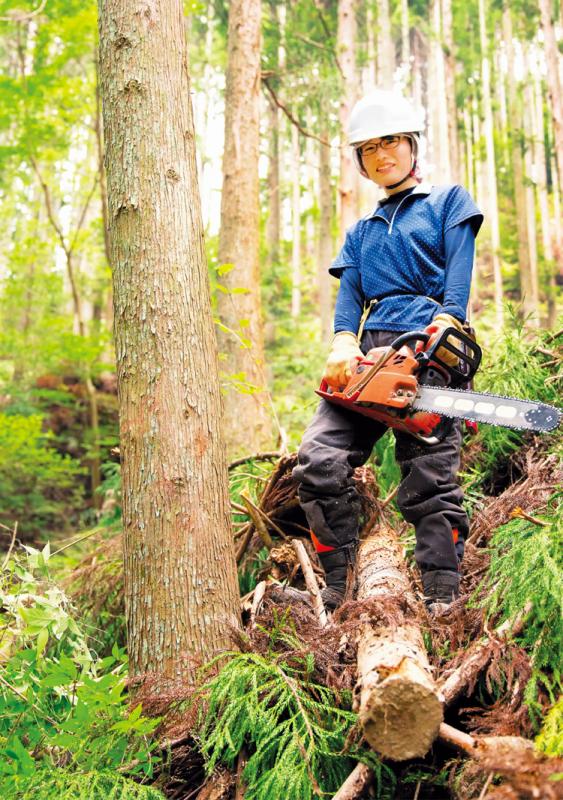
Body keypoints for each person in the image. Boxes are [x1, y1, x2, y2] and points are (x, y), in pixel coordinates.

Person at [293, 89, 484, 615]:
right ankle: (338, 581)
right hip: (368, 355)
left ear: (412, 145)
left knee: (430, 477)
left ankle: (442, 595)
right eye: (370, 148)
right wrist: (342, 342)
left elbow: (459, 274)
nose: (383, 155)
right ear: (361, 160)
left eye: (392, 142)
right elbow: (350, 297)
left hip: (427, 344)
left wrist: (447, 320)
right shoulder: (361, 231)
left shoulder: (448, 203)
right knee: (318, 460)